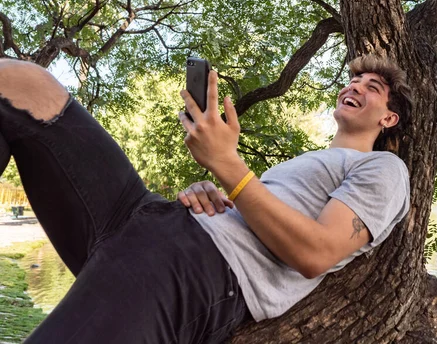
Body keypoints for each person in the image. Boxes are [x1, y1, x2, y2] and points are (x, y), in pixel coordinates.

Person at [0, 54, 412, 343]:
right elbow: (256, 211)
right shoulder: (314, 160)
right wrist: (216, 196)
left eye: (371, 87)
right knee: (24, 86)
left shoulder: (386, 169)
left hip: (192, 272)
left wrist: (226, 165)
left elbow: (316, 252)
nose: (354, 85)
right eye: (353, 80)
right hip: (147, 217)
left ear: (388, 118)